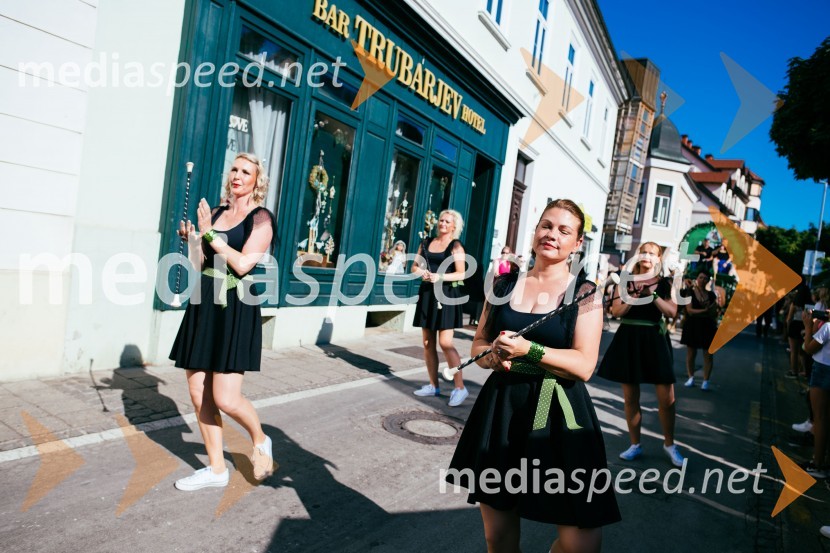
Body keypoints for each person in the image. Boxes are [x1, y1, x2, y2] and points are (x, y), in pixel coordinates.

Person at [447, 199, 620, 553]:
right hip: (503, 410)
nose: (551, 235)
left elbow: (585, 365)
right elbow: (478, 344)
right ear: (534, 231)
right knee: (498, 535)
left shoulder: (585, 293)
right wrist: (492, 355)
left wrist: (532, 351)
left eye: (563, 230)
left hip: (560, 414)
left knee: (582, 543)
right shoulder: (503, 282)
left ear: (577, 243)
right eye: (546, 225)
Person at [169, 152, 277, 491]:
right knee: (199, 393)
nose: (238, 175)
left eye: (246, 171)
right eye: (234, 168)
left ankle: (260, 439)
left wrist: (211, 236)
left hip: (235, 307)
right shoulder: (214, 213)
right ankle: (217, 469)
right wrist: (192, 239)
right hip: (204, 303)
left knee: (227, 399)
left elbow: (244, 264)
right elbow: (200, 264)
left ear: (257, 181)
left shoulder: (261, 218)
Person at [598, 241, 685, 467]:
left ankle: (669, 444)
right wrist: (634, 296)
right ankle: (635, 443)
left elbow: (673, 312)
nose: (647, 256)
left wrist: (652, 295)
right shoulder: (625, 281)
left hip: (655, 338)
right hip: (629, 338)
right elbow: (615, 311)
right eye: (643, 252)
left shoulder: (665, 283)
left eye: (652, 253)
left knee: (667, 399)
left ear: (658, 259)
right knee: (630, 398)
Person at [412, 209, 469, 407]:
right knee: (428, 343)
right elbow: (414, 267)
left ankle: (460, 387)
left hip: (446, 296)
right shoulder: (426, 242)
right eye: (441, 220)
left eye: (447, 221)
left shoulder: (456, 246)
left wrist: (441, 276)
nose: (442, 223)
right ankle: (433, 385)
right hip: (428, 295)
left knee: (445, 343)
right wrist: (423, 273)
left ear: (454, 226)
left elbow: (461, 273)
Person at [800, 307, 830, 477]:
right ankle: (824, 462)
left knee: (820, 419)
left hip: (823, 371)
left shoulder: (827, 328)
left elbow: (807, 348)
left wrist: (808, 325)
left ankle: (817, 463)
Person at [681, 272, 719, 390]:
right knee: (691, 353)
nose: (702, 280)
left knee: (708, 354)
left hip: (707, 325)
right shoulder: (690, 293)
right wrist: (704, 311)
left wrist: (711, 309)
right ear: (697, 279)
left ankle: (705, 381)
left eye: (705, 278)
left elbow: (714, 312)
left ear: (708, 281)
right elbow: (690, 310)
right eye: (700, 277)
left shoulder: (711, 295)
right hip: (693, 324)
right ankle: (690, 377)